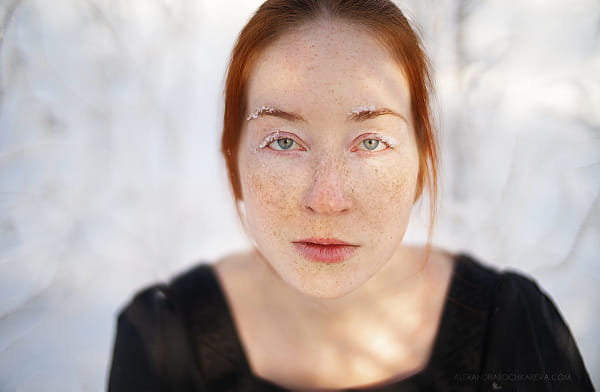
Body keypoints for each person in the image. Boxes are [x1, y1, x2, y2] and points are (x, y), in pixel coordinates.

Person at [108, 0, 593, 390]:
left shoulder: (510, 328)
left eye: (371, 141)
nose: (327, 198)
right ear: (232, 155)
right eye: (283, 141)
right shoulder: (162, 340)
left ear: (422, 160)